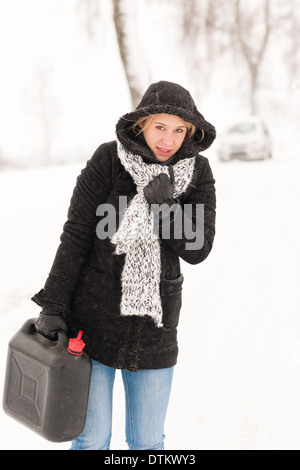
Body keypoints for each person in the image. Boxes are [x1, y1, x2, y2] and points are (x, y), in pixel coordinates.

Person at [33, 80, 216, 450]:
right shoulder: (108, 161)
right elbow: (78, 234)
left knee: (147, 442)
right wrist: (53, 305)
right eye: (160, 127)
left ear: (191, 133)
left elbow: (198, 247)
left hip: (155, 327)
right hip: (92, 323)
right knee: (91, 439)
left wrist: (166, 207)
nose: (168, 139)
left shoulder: (198, 173)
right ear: (142, 125)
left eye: (179, 130)